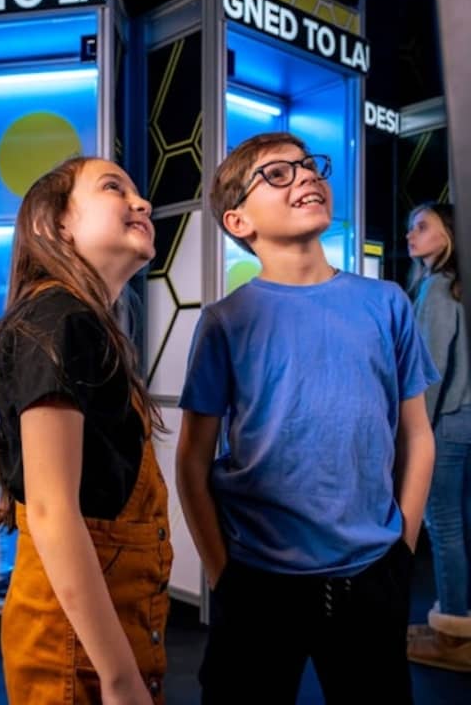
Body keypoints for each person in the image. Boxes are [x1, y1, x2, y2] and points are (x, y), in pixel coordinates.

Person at [175, 132, 439, 704]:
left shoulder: (387, 302)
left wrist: (403, 549)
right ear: (238, 221)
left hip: (373, 573)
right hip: (257, 581)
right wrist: (224, 577)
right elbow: (192, 461)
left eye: (308, 165)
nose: (305, 176)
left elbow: (417, 435)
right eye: (277, 174)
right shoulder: (225, 321)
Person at [0, 156, 172, 704]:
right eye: (113, 187)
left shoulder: (77, 320)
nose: (142, 202)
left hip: (94, 638)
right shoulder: (59, 318)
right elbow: (53, 510)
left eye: (137, 191)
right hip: (74, 654)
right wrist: (120, 678)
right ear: (53, 224)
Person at [405, 201, 471, 672]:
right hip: (464, 418)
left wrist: (416, 434)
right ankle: (455, 617)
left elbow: (431, 369)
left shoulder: (438, 288)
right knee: (459, 521)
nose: (411, 235)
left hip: (446, 421)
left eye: (422, 227)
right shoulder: (457, 286)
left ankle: (452, 633)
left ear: (447, 234)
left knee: (443, 523)